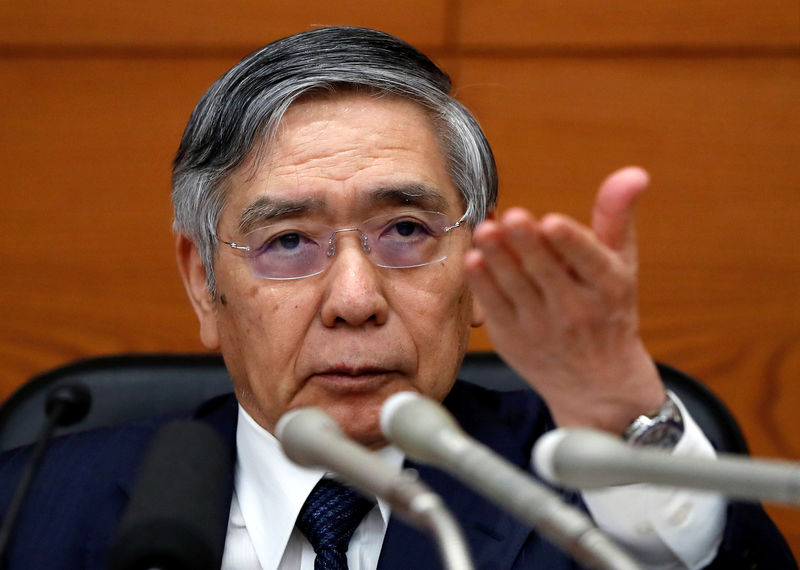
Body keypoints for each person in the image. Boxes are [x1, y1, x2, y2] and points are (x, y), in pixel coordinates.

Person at [0, 26, 795, 569]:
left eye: (406, 231)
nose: (354, 298)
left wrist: (625, 416)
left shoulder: (594, 486)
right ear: (203, 284)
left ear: (475, 262)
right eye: (287, 243)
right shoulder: (28, 509)